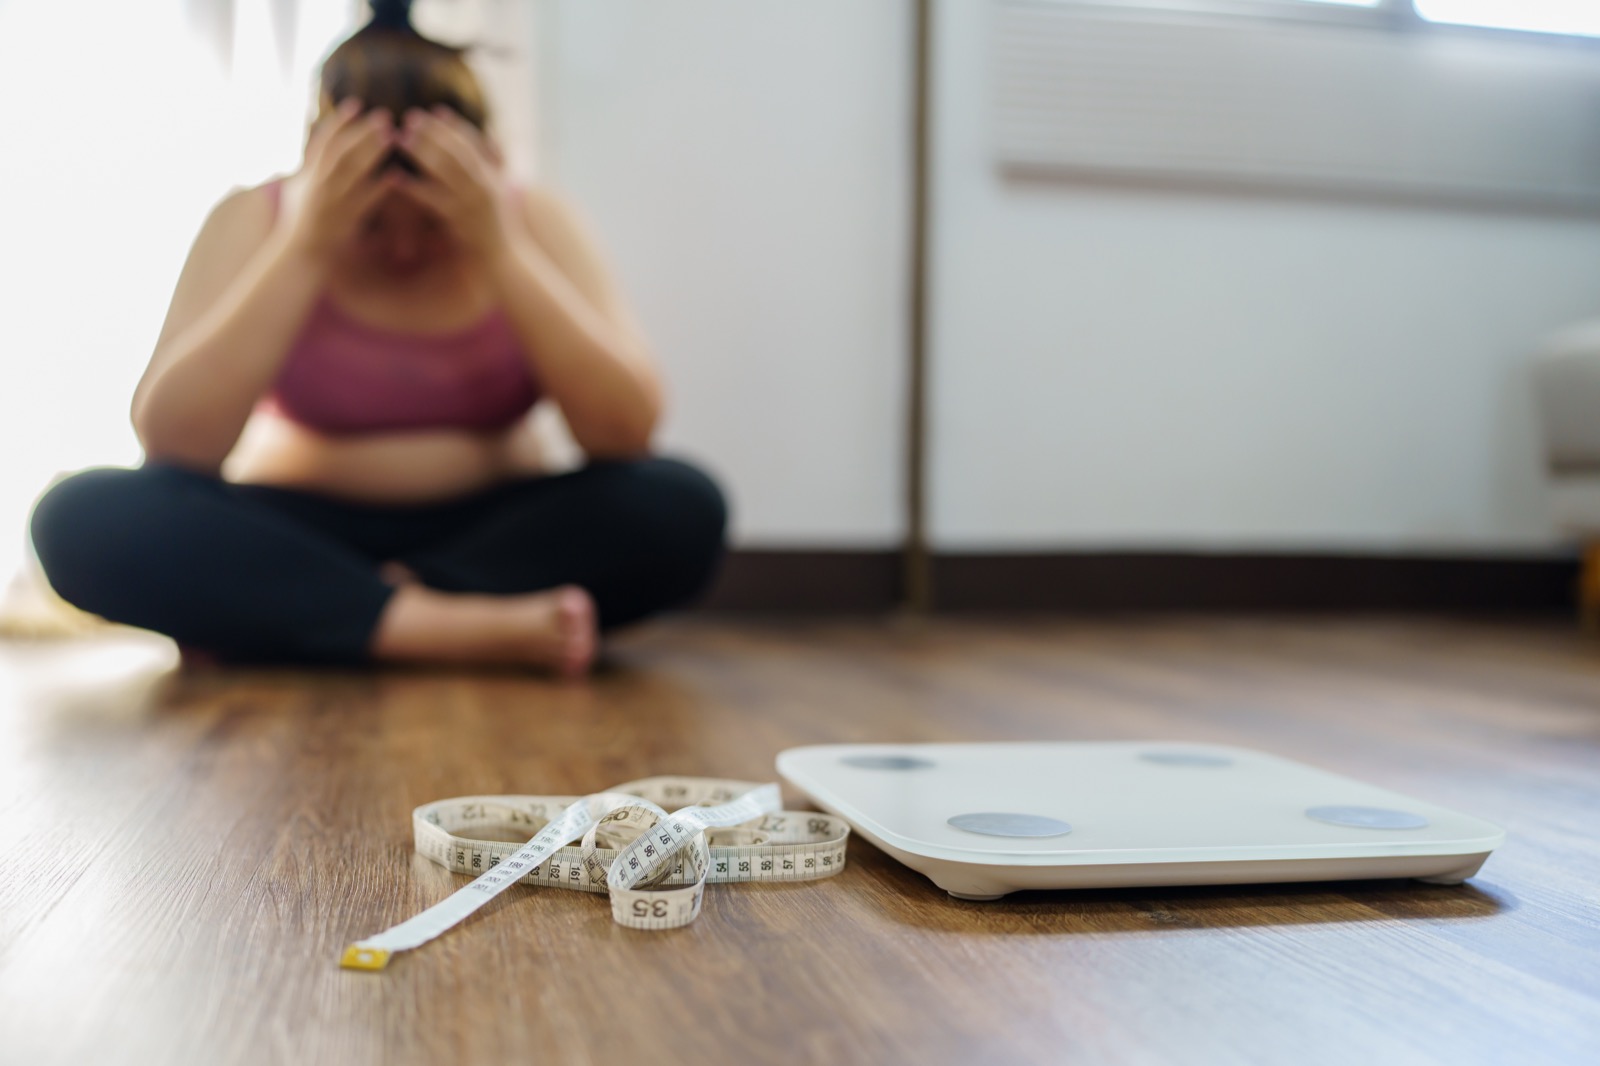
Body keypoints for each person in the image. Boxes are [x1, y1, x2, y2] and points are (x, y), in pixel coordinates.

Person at [27, 0, 727, 676]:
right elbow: (175, 443)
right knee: (78, 518)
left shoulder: (534, 221)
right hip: (300, 533)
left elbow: (625, 432)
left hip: (492, 535)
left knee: (680, 504)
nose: (401, 252)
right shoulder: (255, 221)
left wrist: (497, 247)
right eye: (372, 225)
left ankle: (327, 617)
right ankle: (443, 625)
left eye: (428, 225)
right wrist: (306, 244)